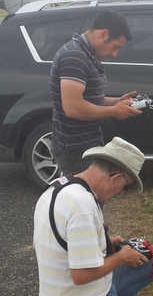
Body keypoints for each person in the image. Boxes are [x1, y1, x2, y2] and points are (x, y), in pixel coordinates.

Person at [30, 137, 153, 296]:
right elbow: (81, 276)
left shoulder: (63, 186)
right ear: (116, 177)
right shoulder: (83, 207)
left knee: (152, 263)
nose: (121, 193)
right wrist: (120, 257)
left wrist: (104, 243)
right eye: (126, 187)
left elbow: (63, 242)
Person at [50, 10, 143, 176]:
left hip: (85, 144)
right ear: (104, 34)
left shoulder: (86, 54)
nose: (115, 54)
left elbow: (87, 98)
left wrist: (116, 101)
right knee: (85, 192)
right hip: (76, 148)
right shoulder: (74, 56)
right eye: (115, 47)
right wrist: (113, 111)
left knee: (94, 191)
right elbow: (73, 108)